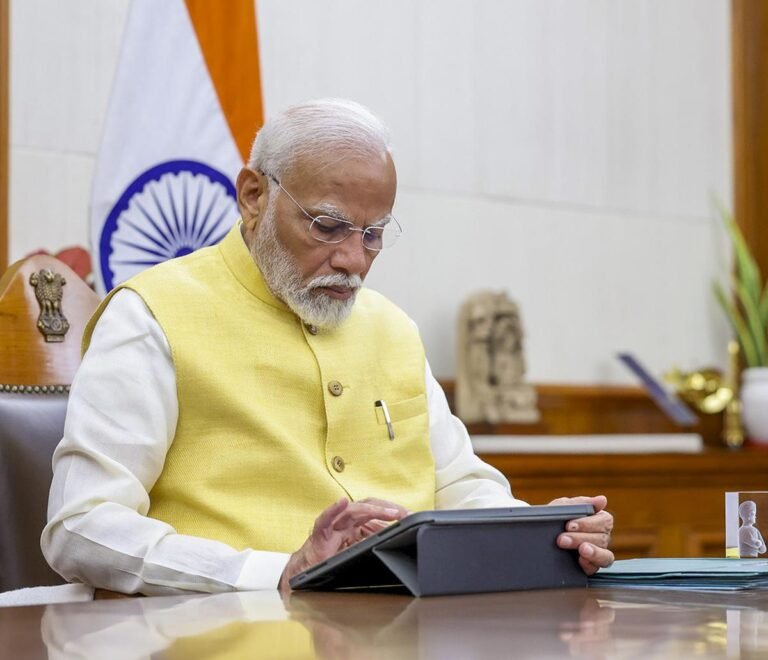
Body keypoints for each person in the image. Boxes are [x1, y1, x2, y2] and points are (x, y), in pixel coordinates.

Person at [42, 98, 614, 595]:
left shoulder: (393, 329)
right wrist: (275, 573)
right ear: (253, 195)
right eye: (327, 226)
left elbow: (460, 486)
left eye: (373, 234)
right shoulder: (153, 314)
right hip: (226, 629)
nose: (354, 259)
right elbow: (82, 525)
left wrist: (545, 532)